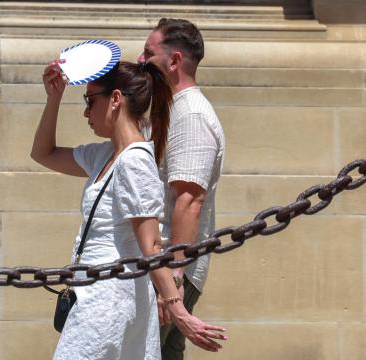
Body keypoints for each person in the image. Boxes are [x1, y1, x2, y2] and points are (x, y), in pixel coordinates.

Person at [31, 58, 226, 359]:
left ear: (116, 99)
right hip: (97, 293)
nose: (85, 112)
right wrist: (54, 98)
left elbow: (151, 245)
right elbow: (43, 153)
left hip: (108, 301)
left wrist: (178, 310)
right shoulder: (105, 155)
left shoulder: (134, 161)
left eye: (90, 100)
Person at [138, 18, 226, 359]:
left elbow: (189, 200)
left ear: (174, 61)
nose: (141, 59)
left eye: (149, 52)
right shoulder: (173, 110)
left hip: (169, 270)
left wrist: (172, 279)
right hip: (163, 268)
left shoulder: (190, 115)